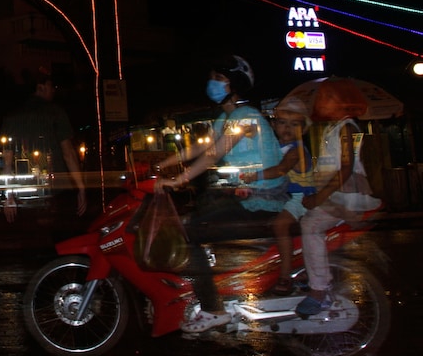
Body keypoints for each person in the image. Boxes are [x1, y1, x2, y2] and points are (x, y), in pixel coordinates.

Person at [153, 55, 285, 333]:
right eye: (212, 77)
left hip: (261, 200)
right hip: (244, 196)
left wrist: (178, 179)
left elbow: (215, 153)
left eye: (219, 79)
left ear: (234, 85)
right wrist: (161, 165)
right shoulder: (228, 117)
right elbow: (201, 147)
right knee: (195, 216)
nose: (211, 83)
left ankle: (213, 308)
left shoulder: (246, 117)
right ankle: (212, 284)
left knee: (191, 233)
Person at [294, 79, 375, 318]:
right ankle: (312, 272)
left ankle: (319, 290)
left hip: (346, 194)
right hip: (336, 189)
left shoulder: (347, 128)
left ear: (343, 102)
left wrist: (319, 196)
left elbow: (346, 168)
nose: (322, 103)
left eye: (328, 98)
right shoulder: (335, 128)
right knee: (303, 219)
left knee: (311, 225)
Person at [0, 67, 86, 236]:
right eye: (50, 86)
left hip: (24, 193)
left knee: (31, 240)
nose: (53, 90)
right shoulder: (56, 113)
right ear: (41, 87)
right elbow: (68, 153)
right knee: (59, 239)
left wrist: (8, 196)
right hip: (56, 191)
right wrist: (81, 187)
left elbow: (7, 162)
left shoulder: (12, 118)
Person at [269, 96, 315, 296]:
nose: (287, 129)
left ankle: (285, 274)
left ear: (303, 128)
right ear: (274, 124)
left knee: (280, 225)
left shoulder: (296, 150)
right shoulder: (275, 147)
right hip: (284, 196)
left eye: (294, 124)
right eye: (282, 123)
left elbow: (281, 169)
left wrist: (252, 176)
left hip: (301, 198)